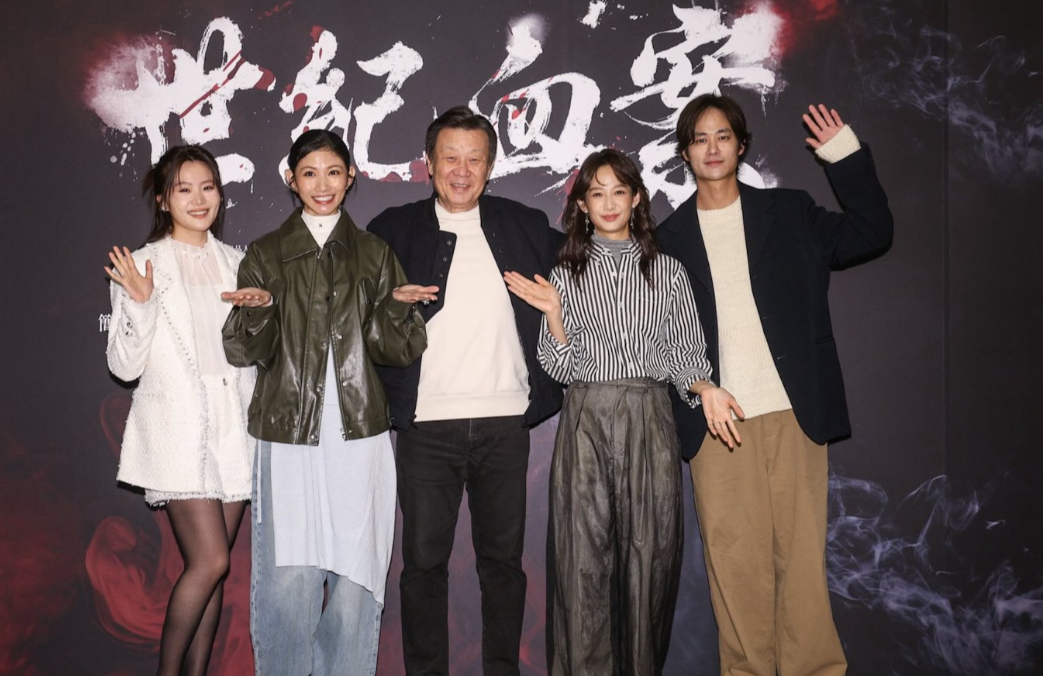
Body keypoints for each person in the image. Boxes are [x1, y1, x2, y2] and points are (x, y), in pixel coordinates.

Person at [656, 96, 894, 676]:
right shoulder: (667, 240)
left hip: (793, 410)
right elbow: (655, 337)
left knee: (802, 564)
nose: (712, 148)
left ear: (740, 145)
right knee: (735, 569)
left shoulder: (789, 211)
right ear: (686, 153)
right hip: (717, 424)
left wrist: (843, 155)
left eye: (722, 135)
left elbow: (872, 232)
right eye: (699, 139)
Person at [504, 148, 737, 675]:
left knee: (649, 560)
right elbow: (561, 367)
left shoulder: (667, 271)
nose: (608, 203)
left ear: (635, 200)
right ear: (582, 206)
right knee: (581, 562)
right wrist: (555, 315)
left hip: (650, 418)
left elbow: (684, 355)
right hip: (586, 418)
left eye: (618, 191)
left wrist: (706, 388)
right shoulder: (564, 273)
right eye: (597, 193)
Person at [220, 129, 432, 676]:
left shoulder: (374, 253)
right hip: (288, 430)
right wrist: (258, 312)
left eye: (333, 172)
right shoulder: (265, 253)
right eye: (309, 173)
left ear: (351, 177)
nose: (322, 184)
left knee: (358, 574)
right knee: (288, 574)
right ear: (291, 180)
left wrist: (396, 311)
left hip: (359, 430)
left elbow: (395, 351)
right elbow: (244, 352)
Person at [367, 105, 564, 676]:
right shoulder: (392, 229)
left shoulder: (525, 225)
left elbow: (591, 266)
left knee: (503, 565)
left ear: (490, 166)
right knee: (423, 566)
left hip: (505, 422)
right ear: (428, 164)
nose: (461, 170)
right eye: (449, 157)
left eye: (474, 159)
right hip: (427, 424)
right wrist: (387, 304)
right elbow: (350, 308)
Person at [103, 144, 257, 676]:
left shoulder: (239, 263)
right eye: (184, 189)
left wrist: (264, 318)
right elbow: (124, 366)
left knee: (212, 572)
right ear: (164, 200)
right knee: (211, 560)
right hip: (179, 431)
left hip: (233, 430)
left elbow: (252, 354)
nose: (198, 199)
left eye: (207, 187)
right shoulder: (143, 265)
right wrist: (141, 302)